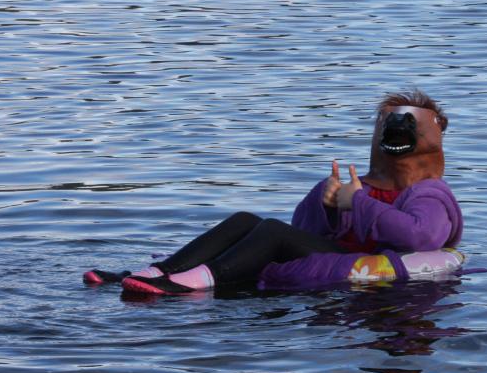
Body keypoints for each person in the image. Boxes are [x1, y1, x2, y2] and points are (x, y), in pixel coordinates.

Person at [84, 90, 463, 295]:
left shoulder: (428, 193)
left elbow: (420, 237)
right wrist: (329, 203)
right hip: (339, 254)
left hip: (368, 264)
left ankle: (192, 283)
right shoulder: (358, 183)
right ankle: (158, 272)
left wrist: (357, 203)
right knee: (246, 220)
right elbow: (307, 228)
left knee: (271, 232)